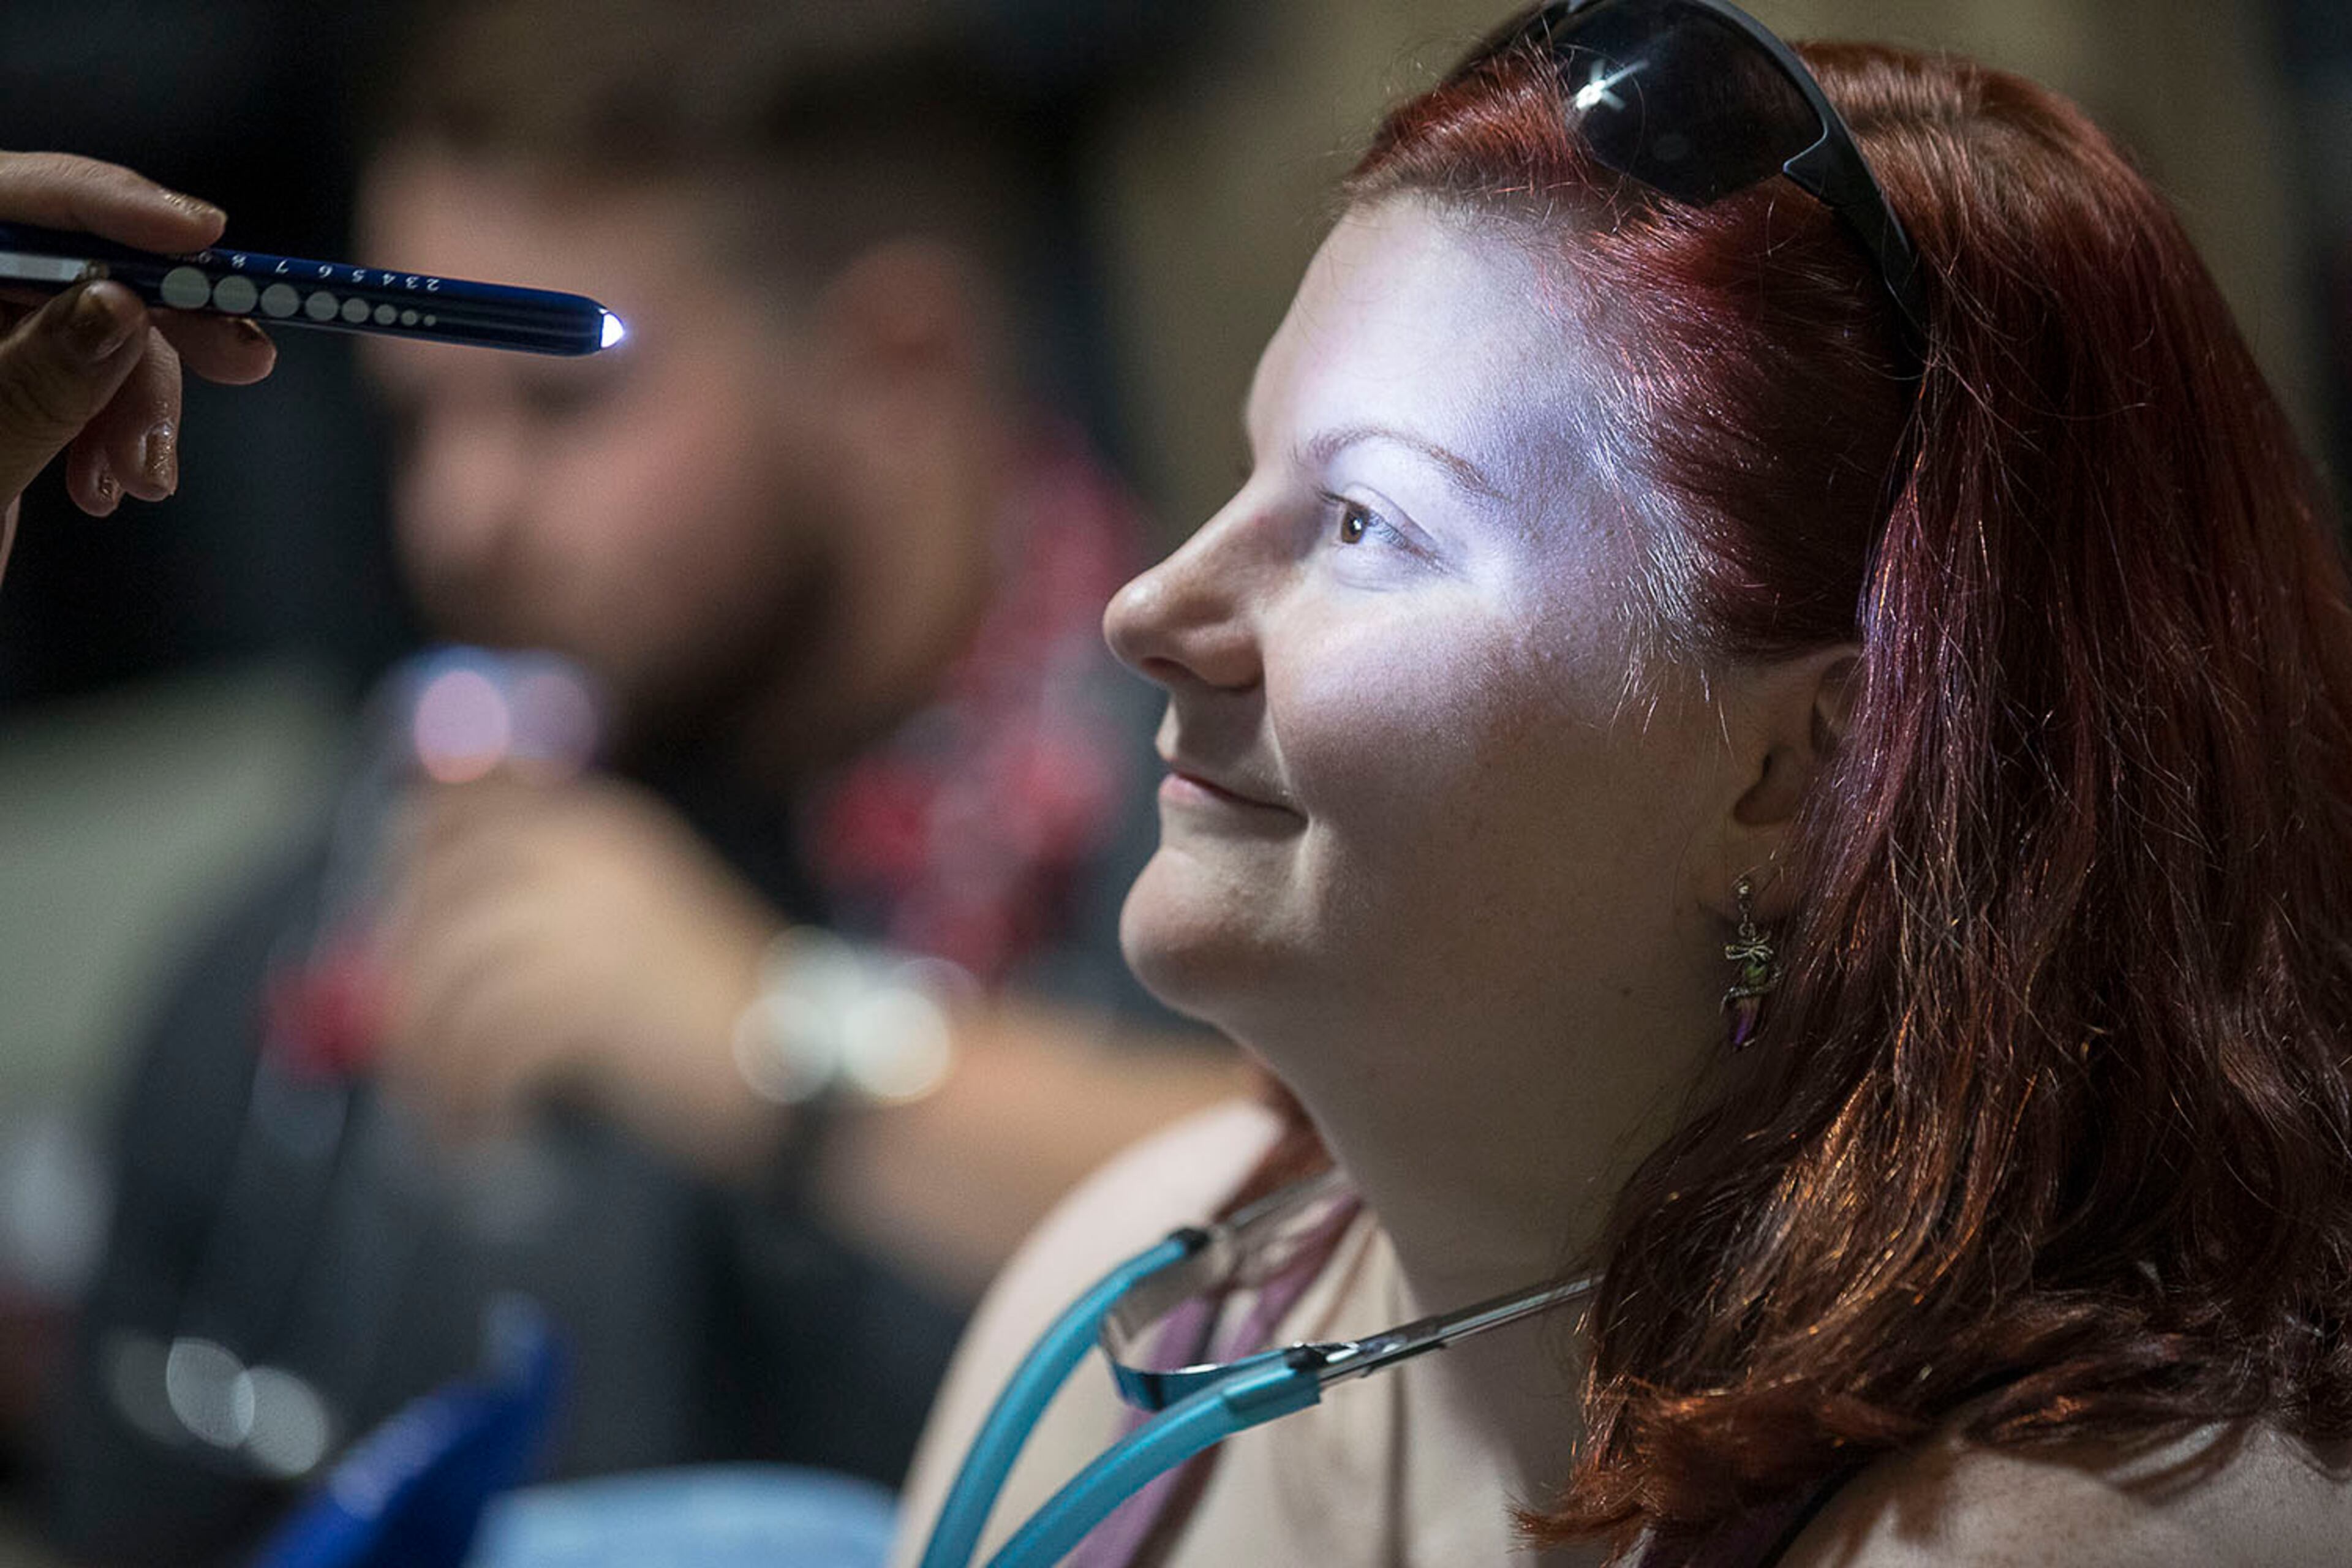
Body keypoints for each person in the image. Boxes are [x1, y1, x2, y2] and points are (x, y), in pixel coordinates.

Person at [886, 6, 2352, 1567]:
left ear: (1799, 773)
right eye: (1250, 474)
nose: (1150, 610)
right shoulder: (1140, 1280)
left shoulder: (2046, 1538)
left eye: (1368, 523)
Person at [44, 3, 1238, 1562]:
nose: (456, 516)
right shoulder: (319, 955)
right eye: (415, 419)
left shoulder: (1242, 806)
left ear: (901, 361)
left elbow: (1404, 1230)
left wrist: (773, 1042)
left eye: (559, 395)